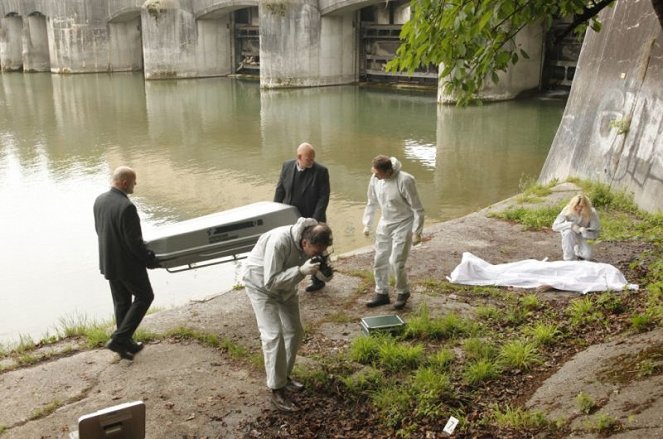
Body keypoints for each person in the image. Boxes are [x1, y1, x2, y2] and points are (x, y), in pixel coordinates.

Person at [243, 218, 333, 412]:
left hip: (287, 285)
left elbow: (324, 275)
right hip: (261, 285)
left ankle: (284, 377)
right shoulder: (279, 242)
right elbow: (271, 281)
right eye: (317, 252)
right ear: (304, 243)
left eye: (323, 251)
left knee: (295, 331)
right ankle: (277, 390)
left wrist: (325, 271)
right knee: (273, 334)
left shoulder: (317, 244)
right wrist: (301, 271)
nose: (320, 254)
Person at [93, 166, 160, 360]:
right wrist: (150, 260)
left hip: (109, 261)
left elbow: (100, 230)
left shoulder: (99, 200)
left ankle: (125, 344)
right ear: (124, 183)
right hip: (128, 266)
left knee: (122, 302)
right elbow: (134, 242)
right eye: (133, 182)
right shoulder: (127, 207)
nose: (135, 185)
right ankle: (119, 338)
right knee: (145, 296)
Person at [362, 155, 424, 310]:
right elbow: (372, 202)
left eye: (378, 173)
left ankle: (403, 291)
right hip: (386, 221)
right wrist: (367, 224)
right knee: (380, 259)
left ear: (388, 171)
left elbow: (417, 208)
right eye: (373, 172)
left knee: (396, 261)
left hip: (404, 222)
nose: (374, 175)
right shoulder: (375, 179)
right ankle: (381, 293)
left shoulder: (405, 180)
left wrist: (417, 231)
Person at [274, 142, 331, 292]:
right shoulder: (287, 166)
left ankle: (318, 279)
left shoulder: (321, 171)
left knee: (315, 248)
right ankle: (289, 277)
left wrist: (315, 221)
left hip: (311, 217)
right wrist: (275, 210)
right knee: (292, 247)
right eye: (309, 159)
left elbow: (323, 197)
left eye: (313, 159)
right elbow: (280, 189)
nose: (312, 162)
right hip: (290, 216)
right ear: (299, 157)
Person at [552, 193, 600, 261]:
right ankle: (568, 258)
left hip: (583, 235)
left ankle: (577, 250)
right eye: (576, 208)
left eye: (581, 209)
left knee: (587, 256)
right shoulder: (567, 210)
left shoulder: (592, 213)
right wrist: (571, 225)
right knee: (568, 233)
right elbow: (555, 226)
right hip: (569, 233)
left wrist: (586, 233)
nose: (578, 210)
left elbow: (596, 232)